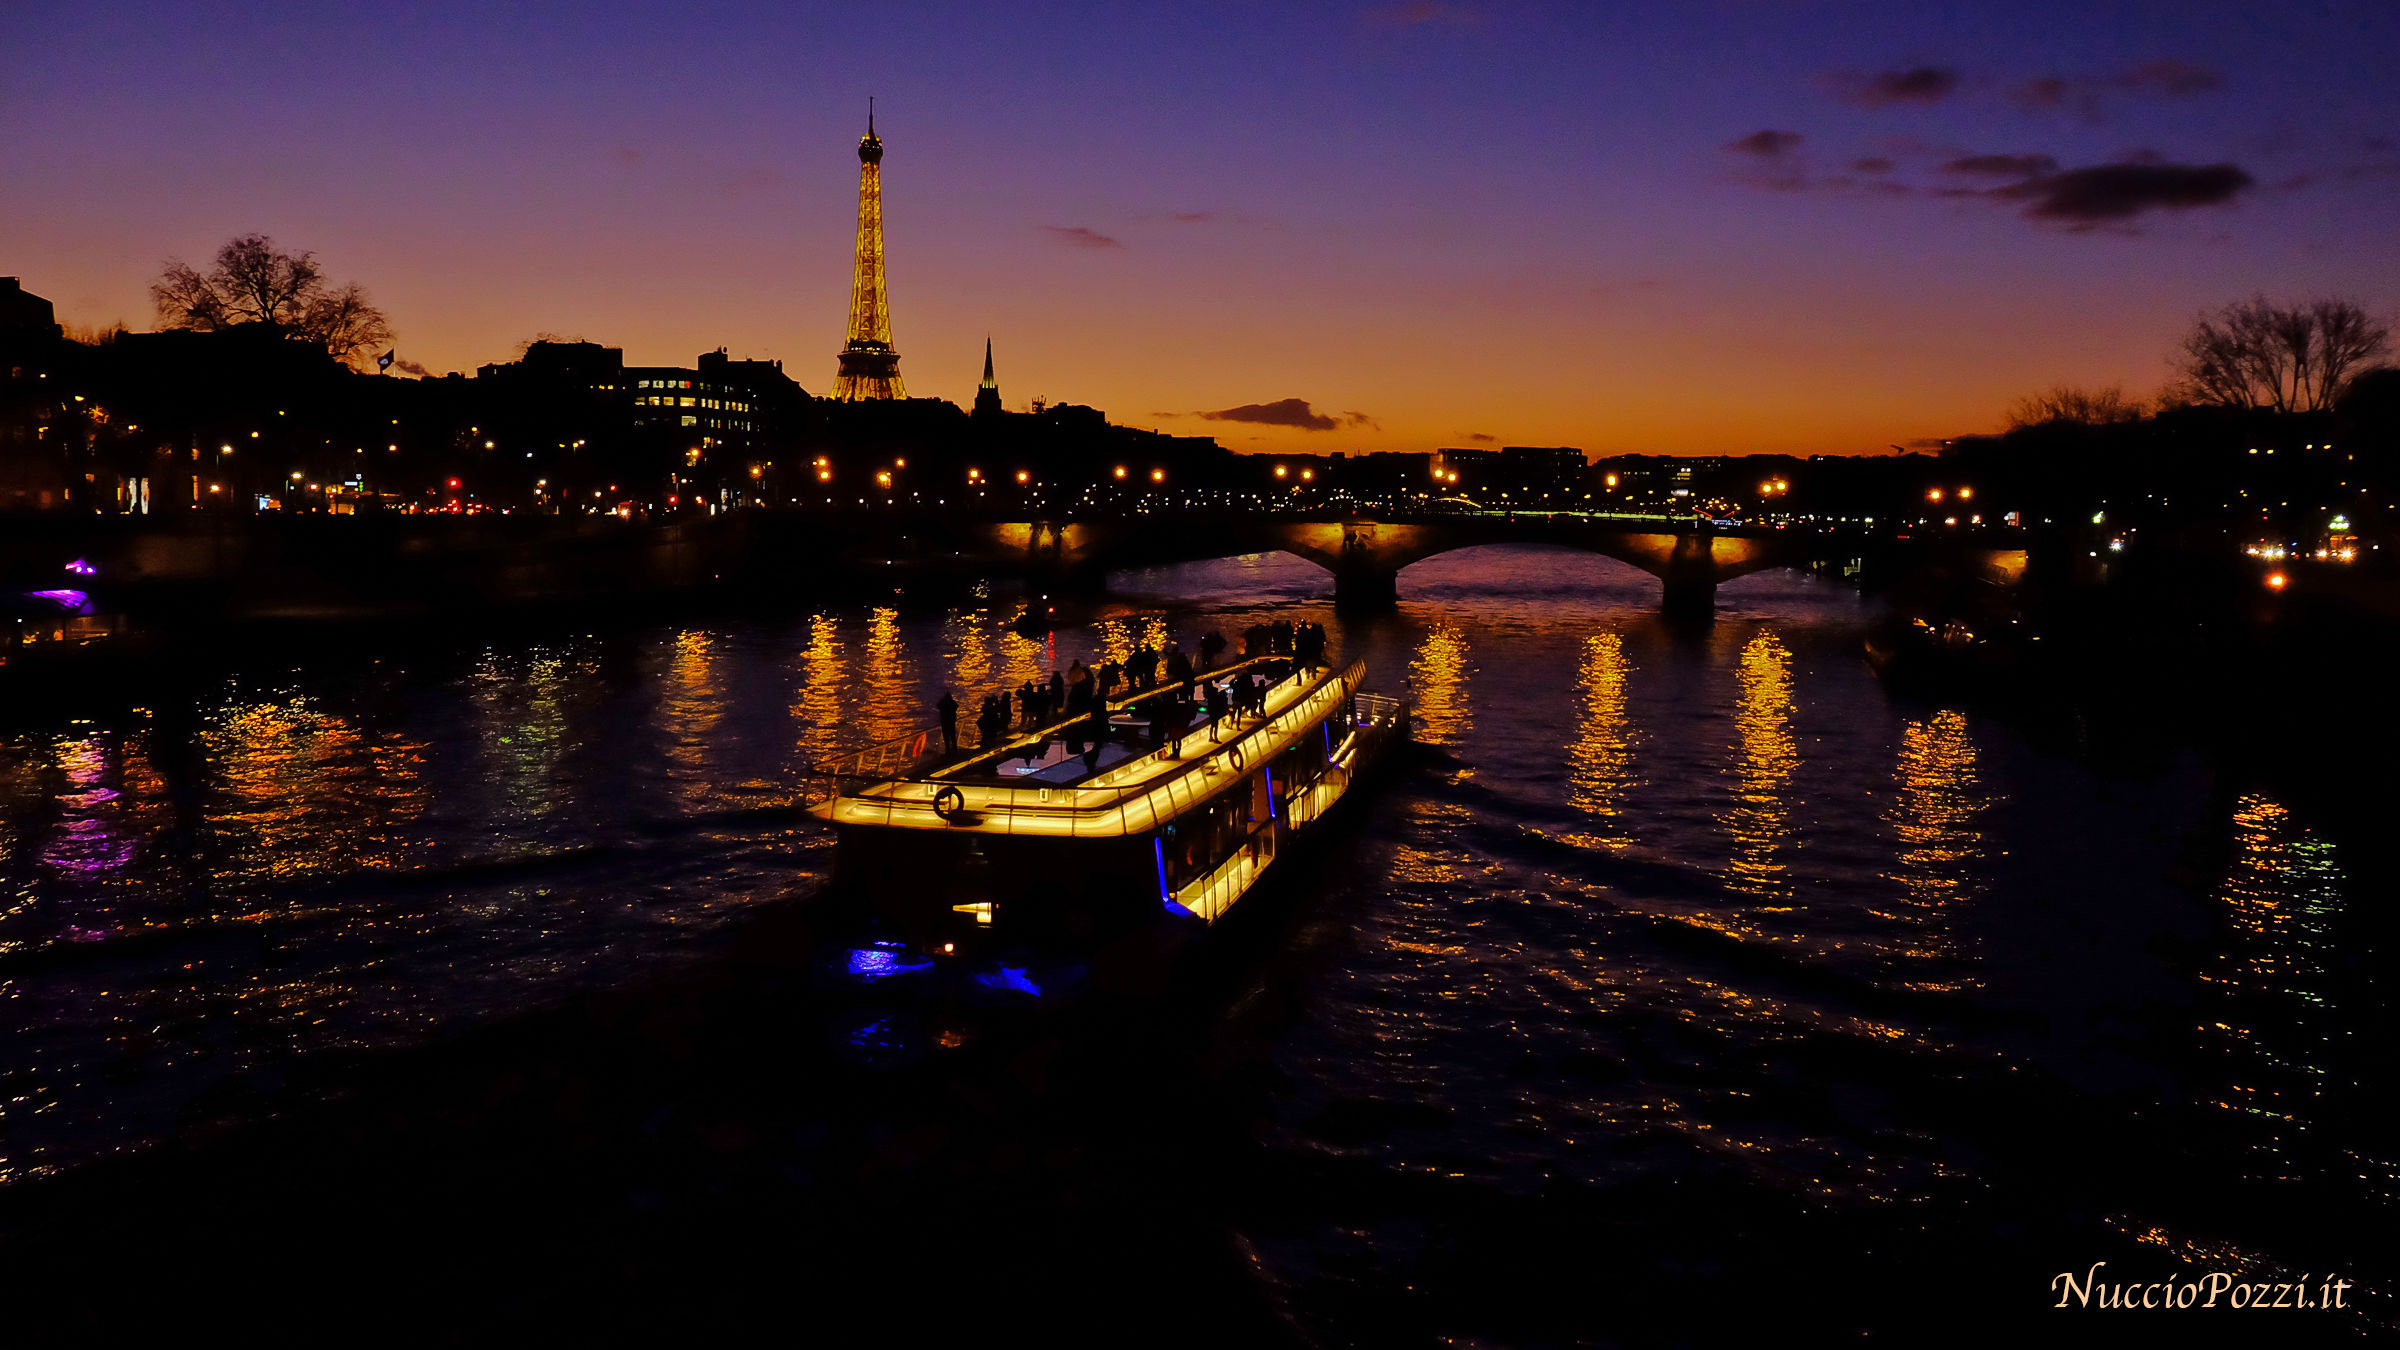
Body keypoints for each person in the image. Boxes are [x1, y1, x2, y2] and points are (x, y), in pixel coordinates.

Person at [936, 690, 958, 754]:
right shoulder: (953, 703)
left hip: (945, 722)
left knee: (946, 737)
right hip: (951, 722)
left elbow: (938, 706)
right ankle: (954, 750)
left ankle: (948, 751)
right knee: (952, 736)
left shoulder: (943, 704)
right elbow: (956, 706)